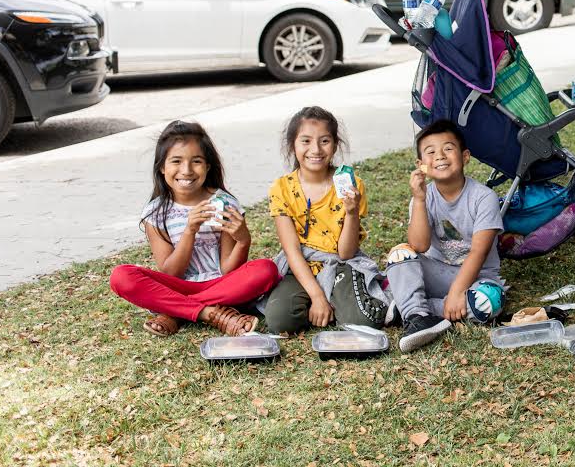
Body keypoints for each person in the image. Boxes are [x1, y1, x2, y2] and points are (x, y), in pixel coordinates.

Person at [110, 121, 279, 337]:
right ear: (162, 167)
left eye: (196, 161)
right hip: (177, 286)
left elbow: (228, 270)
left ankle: (176, 312)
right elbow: (171, 272)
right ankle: (210, 313)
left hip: (222, 286)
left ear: (208, 166)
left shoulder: (224, 203)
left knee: (266, 269)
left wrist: (243, 241)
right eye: (176, 161)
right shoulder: (156, 212)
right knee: (121, 276)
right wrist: (189, 230)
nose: (187, 170)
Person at [262, 106, 390, 333]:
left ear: (335, 145)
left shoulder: (350, 185)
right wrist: (317, 296)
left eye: (324, 141)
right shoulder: (281, 188)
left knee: (363, 321)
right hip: (300, 266)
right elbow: (292, 251)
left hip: (340, 264)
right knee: (280, 321)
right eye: (306, 141)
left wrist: (351, 213)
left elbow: (346, 253)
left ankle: (342, 297)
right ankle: (324, 300)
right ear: (292, 145)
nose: (315, 150)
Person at [386, 120, 506, 352]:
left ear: (465, 156)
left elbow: (478, 252)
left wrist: (457, 293)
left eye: (448, 148)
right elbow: (418, 245)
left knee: (488, 302)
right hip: (436, 272)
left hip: (477, 276)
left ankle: (410, 309)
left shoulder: (484, 197)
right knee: (400, 254)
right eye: (430, 152)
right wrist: (419, 200)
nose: (440, 156)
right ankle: (418, 317)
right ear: (421, 165)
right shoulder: (423, 197)